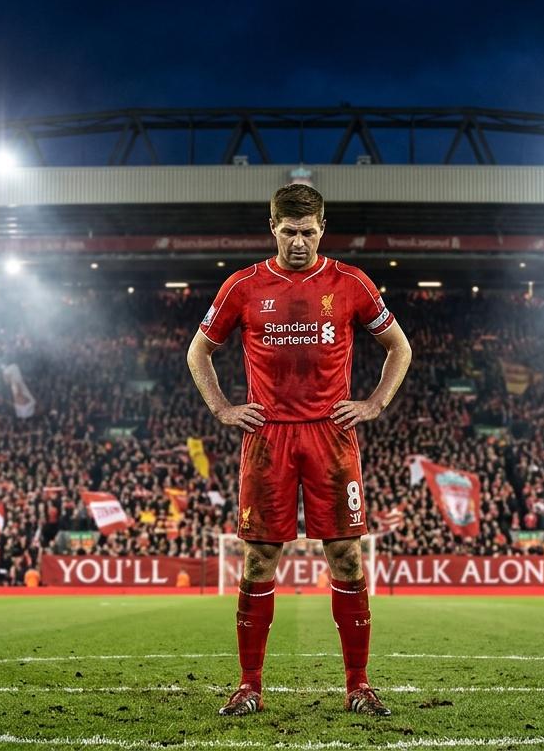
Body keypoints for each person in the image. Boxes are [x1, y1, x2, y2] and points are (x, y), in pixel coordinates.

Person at [187, 184, 412, 718]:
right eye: (289, 232)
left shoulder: (350, 282)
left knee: (346, 554)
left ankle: (358, 685)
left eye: (308, 232)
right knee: (261, 557)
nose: (298, 242)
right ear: (272, 228)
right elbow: (200, 351)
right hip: (268, 438)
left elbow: (399, 347)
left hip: (331, 436)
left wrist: (376, 403)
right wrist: (221, 408)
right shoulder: (243, 286)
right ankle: (249, 687)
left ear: (322, 229)